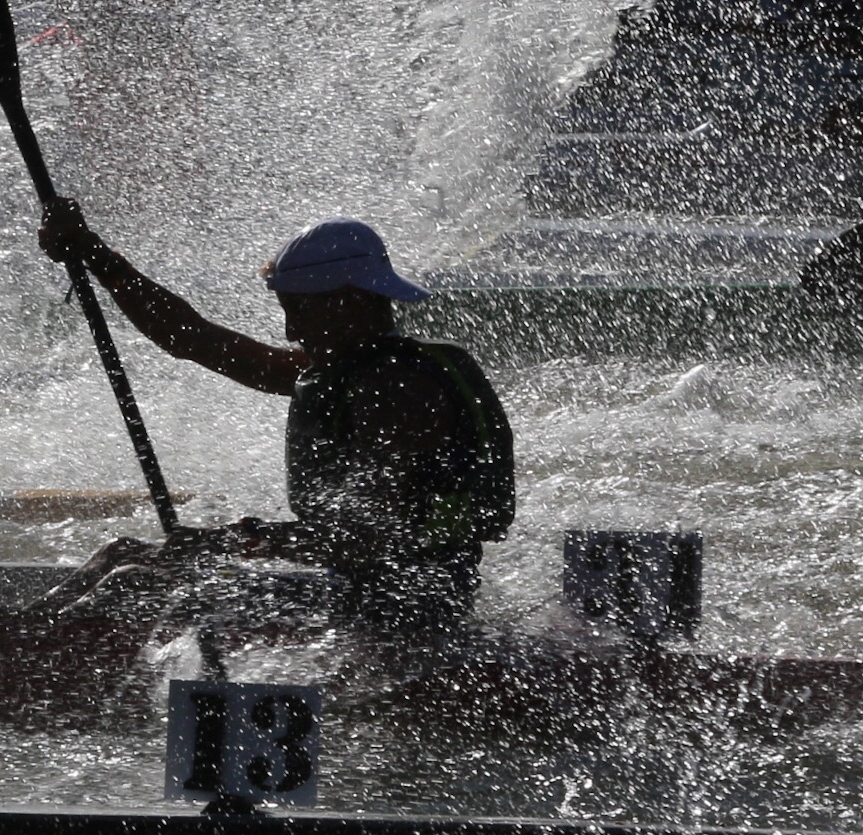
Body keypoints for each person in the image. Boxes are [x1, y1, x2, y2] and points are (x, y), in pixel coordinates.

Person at [37, 206, 516, 632]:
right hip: (351, 587)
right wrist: (95, 255)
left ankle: (38, 665)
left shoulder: (397, 391)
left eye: (299, 312)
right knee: (122, 553)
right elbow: (193, 339)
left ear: (350, 299)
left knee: (134, 585)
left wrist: (233, 541)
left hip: (403, 609)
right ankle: (28, 635)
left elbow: (371, 539)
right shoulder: (346, 368)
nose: (290, 331)